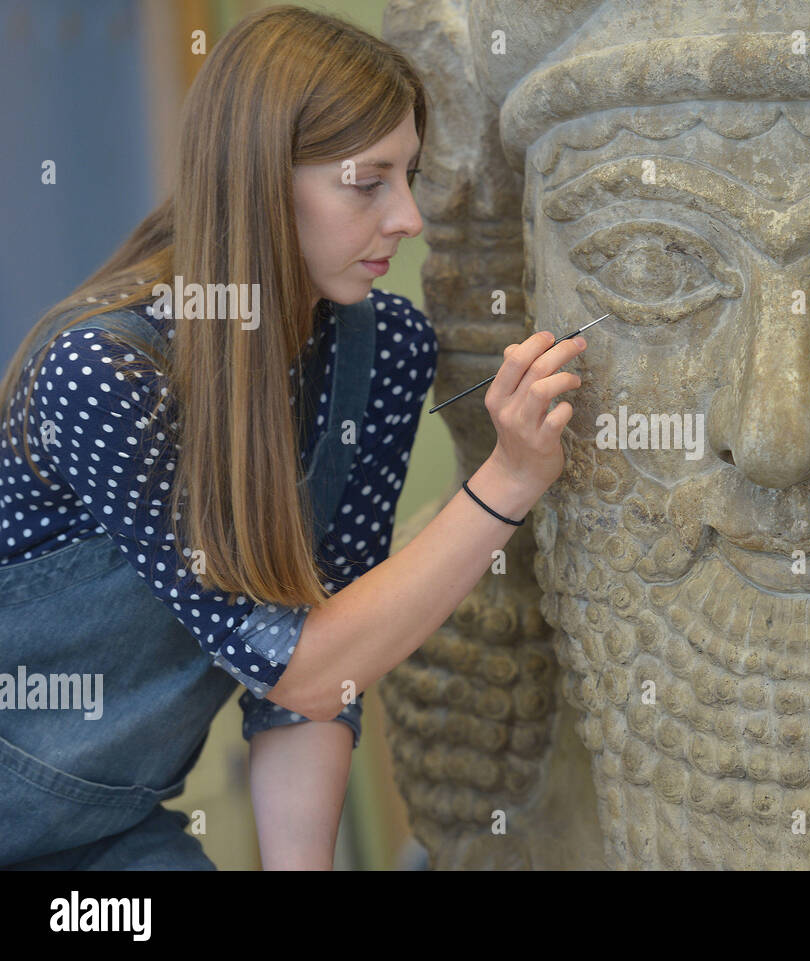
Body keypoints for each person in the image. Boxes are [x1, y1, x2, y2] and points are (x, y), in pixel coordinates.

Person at [0, 5, 585, 870]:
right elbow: (296, 666)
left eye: (411, 176)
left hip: (109, 830)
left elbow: (321, 684)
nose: (409, 219)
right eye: (368, 182)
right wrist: (507, 481)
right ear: (259, 180)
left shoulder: (382, 350)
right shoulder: (105, 371)